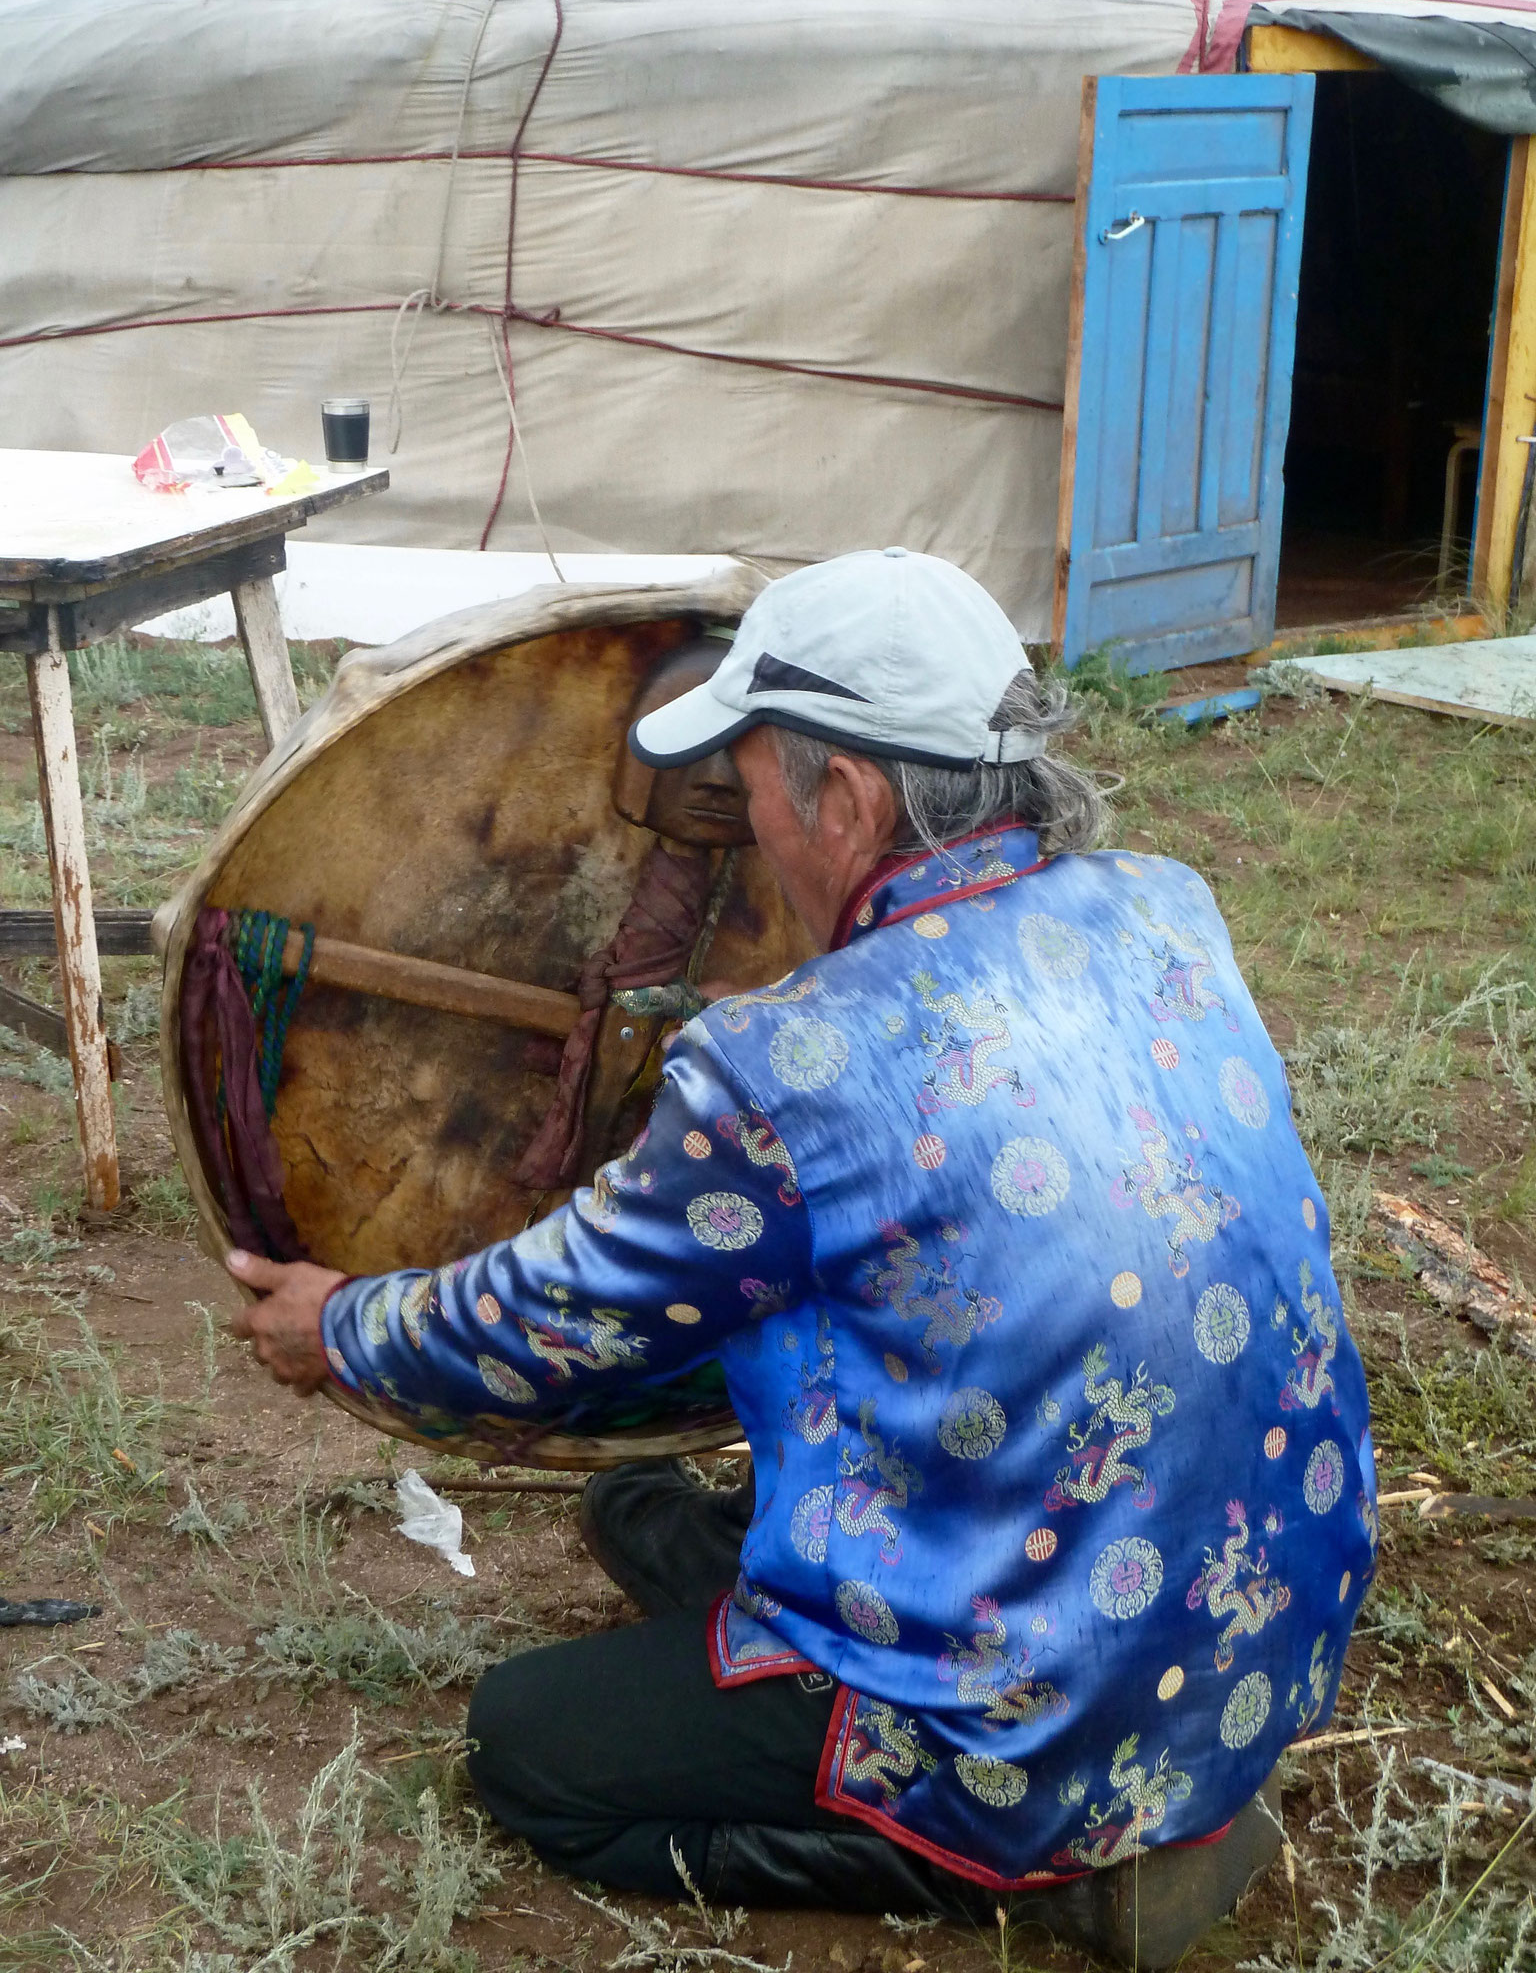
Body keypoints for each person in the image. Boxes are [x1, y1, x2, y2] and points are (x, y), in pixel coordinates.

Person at [229, 549, 1376, 1968]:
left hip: (1045, 1715)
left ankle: (1016, 1872)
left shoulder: (786, 1068)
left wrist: (340, 1326)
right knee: (642, 1516)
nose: (742, 826)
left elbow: (554, 1322)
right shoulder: (1164, 909)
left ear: (845, 799)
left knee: (526, 1745)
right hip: (1264, 1630)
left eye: (751, 785)